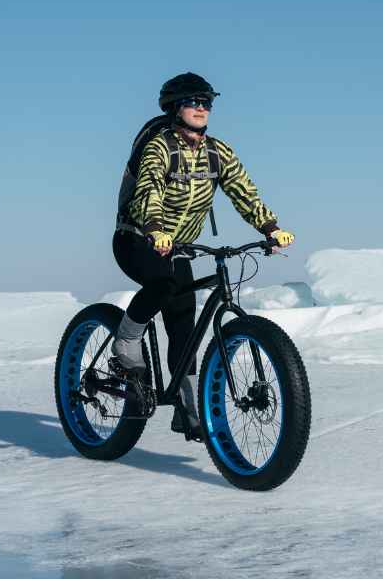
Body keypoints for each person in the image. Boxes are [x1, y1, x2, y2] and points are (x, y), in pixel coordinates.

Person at [111, 72, 294, 440]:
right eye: (194, 101)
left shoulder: (218, 151)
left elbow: (244, 191)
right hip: (137, 240)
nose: (202, 108)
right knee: (162, 285)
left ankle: (186, 407)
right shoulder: (159, 147)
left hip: (178, 247)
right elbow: (147, 189)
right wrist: (155, 229)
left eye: (207, 102)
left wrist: (269, 228)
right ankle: (126, 340)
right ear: (175, 107)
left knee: (184, 325)